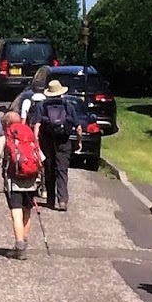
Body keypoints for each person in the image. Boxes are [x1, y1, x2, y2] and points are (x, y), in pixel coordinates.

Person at [27, 77, 86, 210]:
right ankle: (62, 200)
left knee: (49, 169)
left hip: (47, 141)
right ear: (61, 92)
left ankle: (50, 199)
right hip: (64, 141)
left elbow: (37, 124)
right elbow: (78, 127)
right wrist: (79, 141)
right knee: (62, 170)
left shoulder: (42, 105)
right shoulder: (68, 105)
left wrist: (36, 140)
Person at [0, 109, 42, 258]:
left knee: (16, 212)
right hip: (31, 179)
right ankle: (24, 241)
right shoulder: (29, 136)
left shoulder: (6, 138)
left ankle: (19, 243)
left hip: (14, 180)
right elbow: (41, 158)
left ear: (7, 123)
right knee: (27, 211)